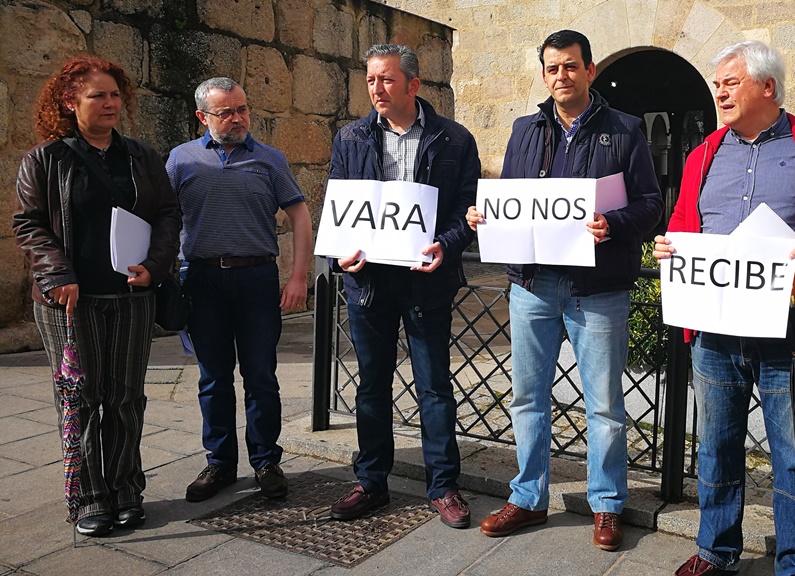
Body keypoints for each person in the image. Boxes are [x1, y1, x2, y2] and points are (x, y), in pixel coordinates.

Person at [653, 41, 795, 576]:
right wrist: (670, 245)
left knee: (793, 454)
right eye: (717, 82)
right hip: (713, 330)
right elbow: (684, 223)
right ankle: (715, 549)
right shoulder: (703, 153)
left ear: (766, 87)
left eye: (730, 81)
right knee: (716, 448)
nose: (719, 90)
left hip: (789, 328)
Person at [470, 30, 663, 551]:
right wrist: (484, 217)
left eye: (571, 66)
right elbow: (510, 198)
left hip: (596, 287)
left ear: (590, 70)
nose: (562, 76)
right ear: (544, 75)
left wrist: (613, 224)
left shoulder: (623, 129)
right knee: (528, 398)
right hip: (532, 285)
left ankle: (606, 505)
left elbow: (650, 204)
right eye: (553, 68)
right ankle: (527, 498)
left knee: (603, 405)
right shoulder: (524, 128)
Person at [13, 55, 182, 536]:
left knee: (125, 397)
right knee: (82, 398)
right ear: (70, 102)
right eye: (97, 95)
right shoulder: (45, 159)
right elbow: (29, 224)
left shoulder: (142, 156)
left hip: (130, 297)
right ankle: (91, 494)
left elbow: (168, 214)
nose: (110, 103)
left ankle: (127, 489)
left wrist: (154, 266)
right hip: (69, 302)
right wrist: (56, 273)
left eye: (114, 94)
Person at [326, 45, 480, 529]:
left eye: (387, 80)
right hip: (368, 282)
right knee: (371, 386)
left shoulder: (453, 139)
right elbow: (339, 200)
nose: (376, 89)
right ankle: (371, 482)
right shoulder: (350, 137)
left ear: (413, 85)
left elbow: (467, 208)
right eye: (371, 80)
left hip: (425, 281)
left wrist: (447, 245)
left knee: (434, 386)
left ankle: (443, 486)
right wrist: (339, 254)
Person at [166, 77, 312, 503]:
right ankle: (220, 464)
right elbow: (162, 218)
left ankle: (266, 460)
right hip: (202, 279)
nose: (237, 118)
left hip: (256, 279)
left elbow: (299, 217)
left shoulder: (269, 159)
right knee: (212, 378)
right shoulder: (181, 160)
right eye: (225, 111)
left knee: (262, 376)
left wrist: (298, 276)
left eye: (242, 109)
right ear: (202, 117)